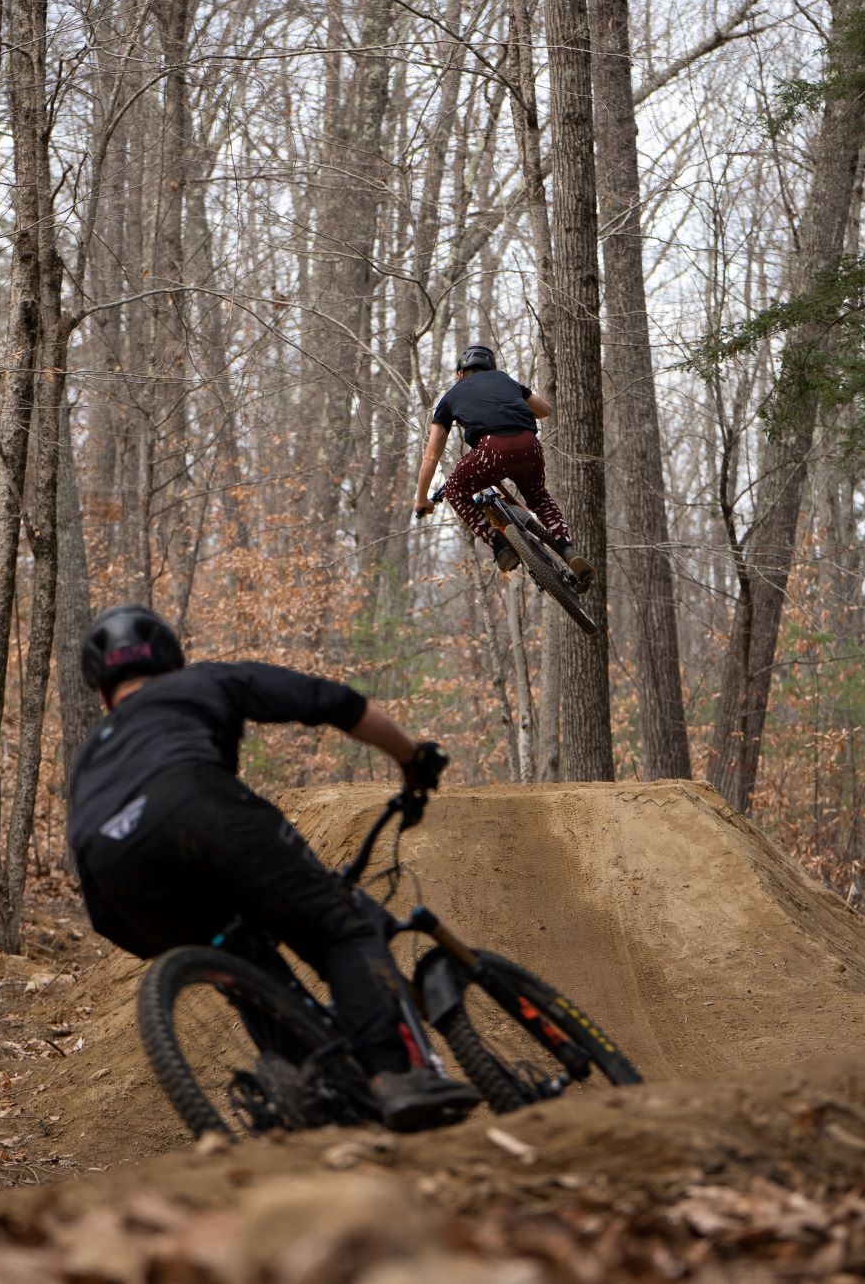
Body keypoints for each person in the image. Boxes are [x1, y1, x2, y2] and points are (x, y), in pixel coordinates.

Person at [64, 604, 483, 1133]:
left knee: (250, 970)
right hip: (201, 810)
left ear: (103, 694)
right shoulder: (204, 682)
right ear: (172, 662)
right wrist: (411, 758)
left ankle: (313, 1095)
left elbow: (82, 841)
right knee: (341, 930)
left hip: (115, 883)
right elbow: (336, 703)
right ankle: (396, 1075)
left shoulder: (90, 755)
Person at [413, 344, 594, 590]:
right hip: (529, 445)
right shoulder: (506, 381)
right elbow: (545, 410)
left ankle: (500, 545)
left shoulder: (451, 396)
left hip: (491, 450)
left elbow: (431, 457)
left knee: (456, 490)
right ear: (490, 367)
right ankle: (568, 548)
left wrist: (422, 499)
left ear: (459, 374)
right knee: (539, 498)